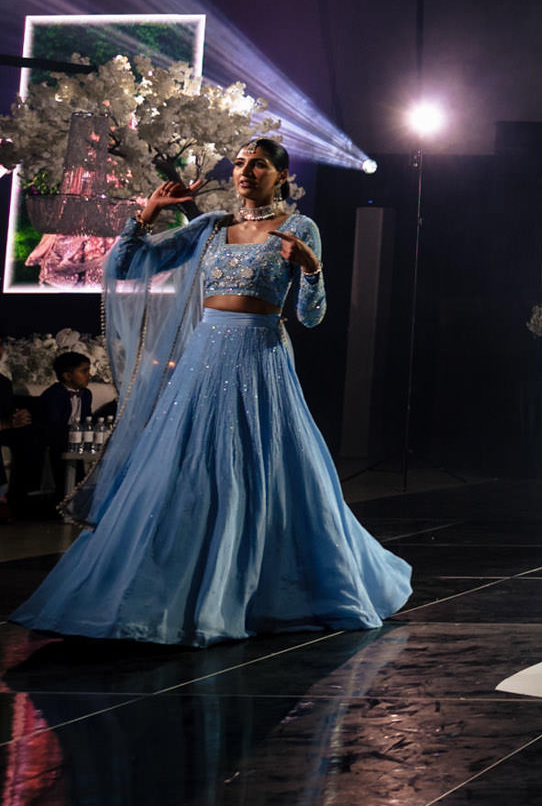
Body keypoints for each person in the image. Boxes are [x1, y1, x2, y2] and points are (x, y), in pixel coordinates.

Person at [11, 139, 412, 646]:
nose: (245, 172)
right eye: (240, 164)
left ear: (281, 176)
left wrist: (312, 269)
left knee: (263, 467)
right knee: (186, 467)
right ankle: (170, 589)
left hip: (262, 356)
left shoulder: (299, 227)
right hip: (205, 357)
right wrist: (147, 215)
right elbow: (129, 266)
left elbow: (311, 317)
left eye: (258, 165)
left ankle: (260, 590)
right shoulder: (211, 227)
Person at [2, 351, 94, 521]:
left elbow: (87, 418)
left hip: (75, 438)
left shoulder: (86, 394)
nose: (89, 375)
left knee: (82, 457)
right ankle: (63, 505)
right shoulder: (55, 394)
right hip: (53, 438)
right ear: (67, 376)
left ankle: (81, 502)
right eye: (84, 371)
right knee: (63, 458)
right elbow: (53, 424)